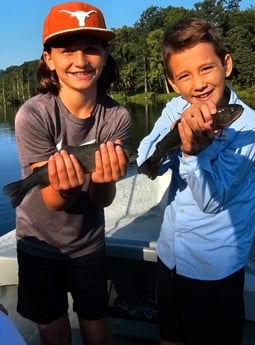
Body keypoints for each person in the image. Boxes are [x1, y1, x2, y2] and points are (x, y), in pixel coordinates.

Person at [14, 2, 131, 345]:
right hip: (38, 243)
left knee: (95, 321)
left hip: (88, 243)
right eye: (67, 50)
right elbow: (51, 200)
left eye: (91, 49)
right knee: (51, 327)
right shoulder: (33, 115)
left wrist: (104, 179)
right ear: (49, 58)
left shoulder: (117, 117)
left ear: (105, 55)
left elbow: (101, 199)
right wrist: (64, 187)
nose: (80, 61)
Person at [137, 18, 255, 345]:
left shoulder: (249, 129)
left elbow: (212, 200)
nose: (198, 84)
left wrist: (191, 155)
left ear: (226, 64)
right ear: (173, 83)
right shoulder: (177, 106)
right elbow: (145, 156)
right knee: (170, 337)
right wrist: (175, 131)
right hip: (172, 255)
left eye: (206, 69)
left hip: (213, 267)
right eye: (185, 76)